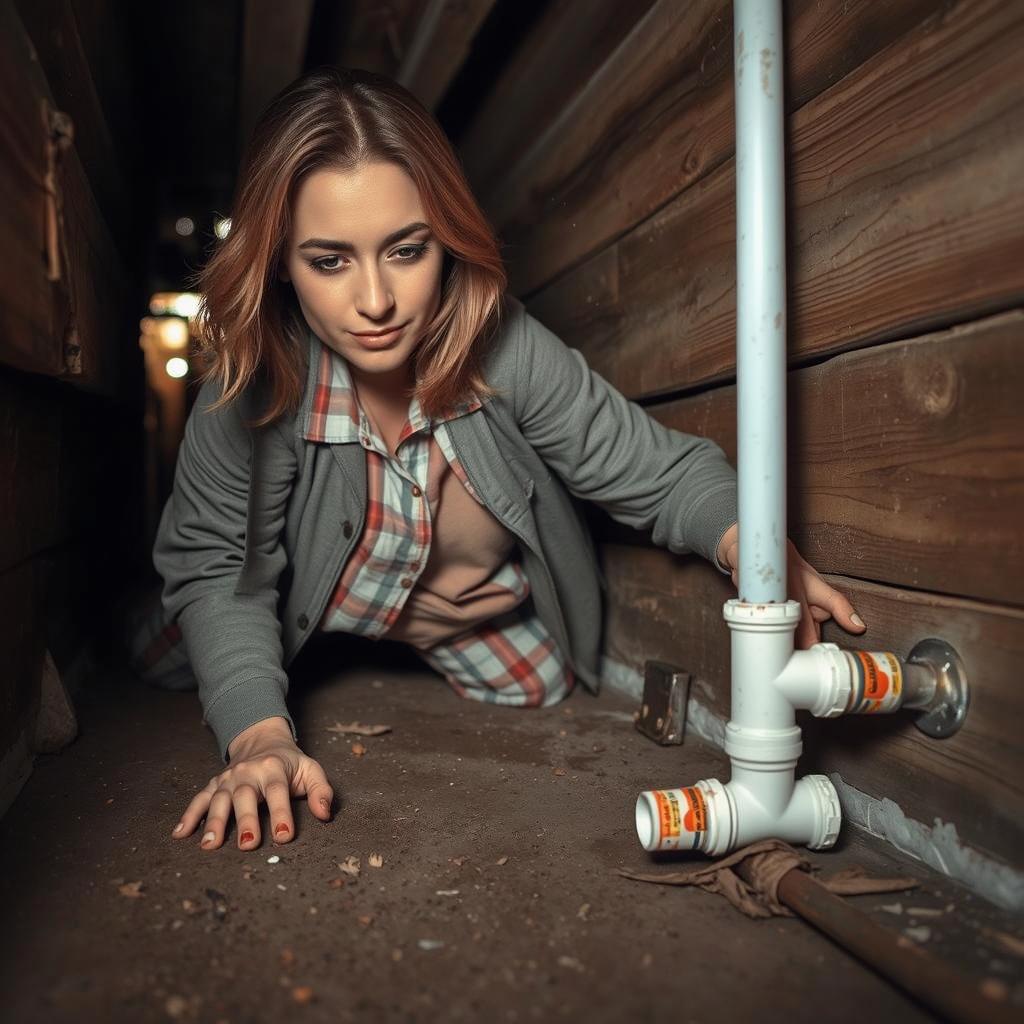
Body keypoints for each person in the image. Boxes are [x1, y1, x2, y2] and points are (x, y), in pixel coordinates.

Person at [137, 67, 866, 855]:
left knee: (536, 688)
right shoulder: (246, 390)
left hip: (468, 620)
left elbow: (663, 472)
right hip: (281, 605)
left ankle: (397, 611)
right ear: (280, 260)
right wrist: (259, 741)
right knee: (159, 653)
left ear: (445, 237)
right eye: (330, 260)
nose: (376, 301)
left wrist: (749, 545)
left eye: (407, 249)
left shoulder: (506, 349)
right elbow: (213, 568)